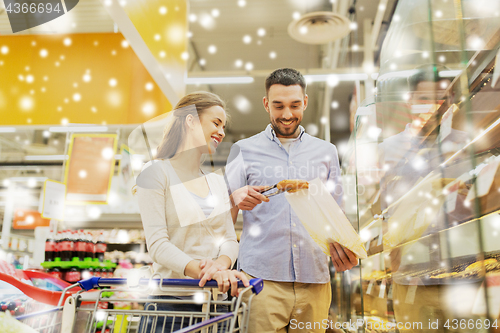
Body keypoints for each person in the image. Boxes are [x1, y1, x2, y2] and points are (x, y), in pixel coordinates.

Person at [225, 68, 358, 333]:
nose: (287, 115)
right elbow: (224, 216)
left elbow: (335, 213)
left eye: (295, 105)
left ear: (305, 102)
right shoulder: (243, 150)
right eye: (278, 105)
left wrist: (347, 248)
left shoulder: (326, 151)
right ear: (266, 104)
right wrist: (233, 201)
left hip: (315, 278)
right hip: (260, 279)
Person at [135, 91, 249, 332]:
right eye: (216, 123)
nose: (222, 132)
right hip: (170, 308)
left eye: (224, 126)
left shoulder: (217, 182)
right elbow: (158, 244)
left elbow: (229, 239)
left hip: (215, 308)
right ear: (190, 121)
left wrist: (220, 264)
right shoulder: (156, 172)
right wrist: (207, 273)